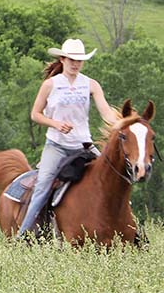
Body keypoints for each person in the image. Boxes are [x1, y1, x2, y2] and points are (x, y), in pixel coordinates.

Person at [16, 38, 118, 240]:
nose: (75, 63)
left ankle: (130, 229)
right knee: (43, 186)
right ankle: (23, 234)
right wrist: (55, 124)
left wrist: (123, 123)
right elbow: (35, 114)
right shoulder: (50, 84)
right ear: (62, 59)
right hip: (57, 146)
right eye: (71, 59)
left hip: (84, 145)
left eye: (79, 60)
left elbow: (106, 112)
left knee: (114, 176)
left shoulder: (91, 84)